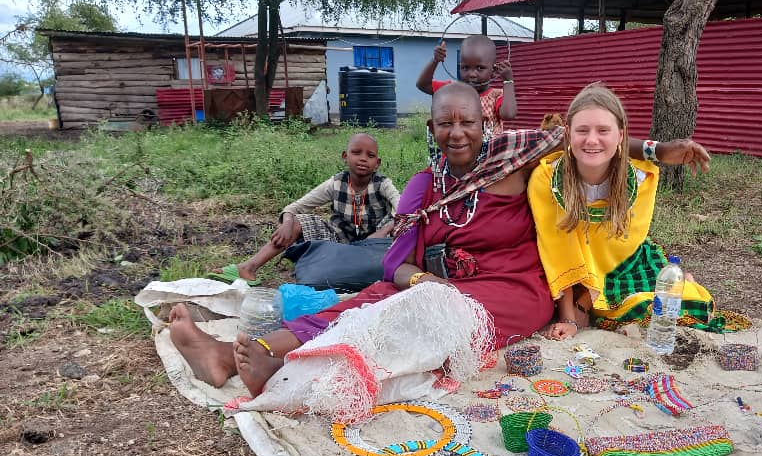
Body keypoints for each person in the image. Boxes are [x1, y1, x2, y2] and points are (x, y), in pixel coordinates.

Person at [169, 82, 710, 399]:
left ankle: (277, 360)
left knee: (417, 318)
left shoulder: (520, 163)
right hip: (444, 287)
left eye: (467, 122)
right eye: (445, 123)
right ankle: (249, 352)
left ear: (485, 122)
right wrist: (422, 280)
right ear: (431, 130)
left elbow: (590, 140)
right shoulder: (424, 188)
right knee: (373, 300)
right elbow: (395, 266)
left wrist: (660, 149)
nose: (457, 133)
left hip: (518, 293)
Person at [527, 83, 713, 340]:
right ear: (567, 133)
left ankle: (672, 277)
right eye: (582, 130)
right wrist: (568, 317)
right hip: (568, 268)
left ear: (621, 135)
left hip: (620, 263)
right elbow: (558, 247)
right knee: (575, 317)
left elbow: (625, 242)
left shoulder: (639, 176)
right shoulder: (546, 179)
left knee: (680, 306)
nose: (592, 140)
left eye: (603, 130)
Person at [219, 132, 400, 283]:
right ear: (345, 157)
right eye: (356, 152)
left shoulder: (382, 184)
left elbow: (403, 208)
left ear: (377, 163)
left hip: (376, 245)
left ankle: (391, 274)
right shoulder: (335, 184)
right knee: (297, 222)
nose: (362, 159)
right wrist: (287, 223)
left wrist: (384, 231)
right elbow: (295, 207)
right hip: (340, 243)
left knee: (401, 226)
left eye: (370, 155)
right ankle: (249, 268)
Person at [415, 34, 516, 135]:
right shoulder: (452, 89)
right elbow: (423, 84)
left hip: (489, 150)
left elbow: (508, 114)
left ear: (493, 71)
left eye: (480, 68)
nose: (472, 74)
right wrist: (435, 60)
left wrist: (508, 82)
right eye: (465, 68)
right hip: (457, 147)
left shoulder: (496, 95)